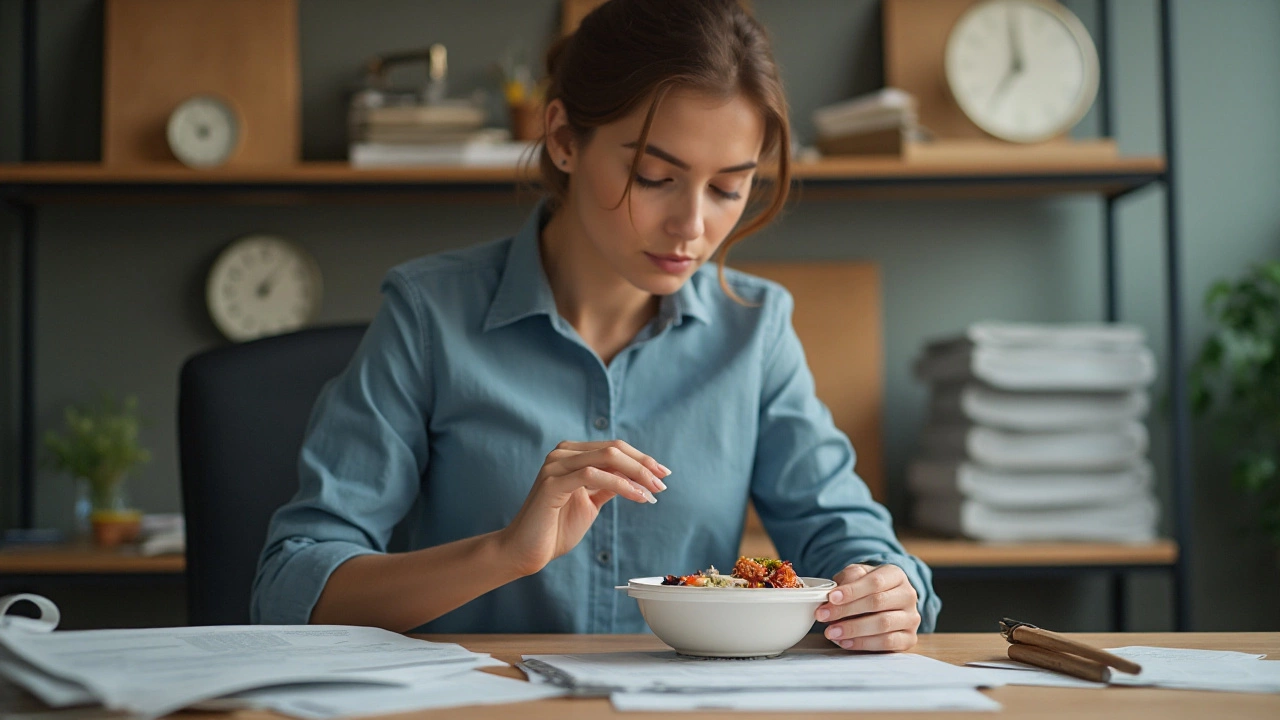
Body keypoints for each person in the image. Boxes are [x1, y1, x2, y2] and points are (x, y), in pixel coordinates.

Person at [252, 0, 940, 652]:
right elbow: (291, 586)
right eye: (652, 176)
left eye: (731, 188)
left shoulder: (755, 330)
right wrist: (503, 554)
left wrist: (884, 589)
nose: (693, 226)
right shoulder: (428, 314)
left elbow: (844, 532)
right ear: (562, 139)